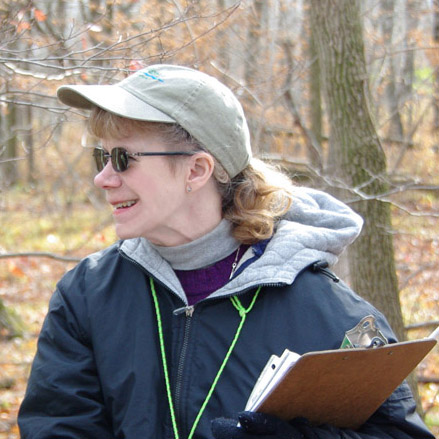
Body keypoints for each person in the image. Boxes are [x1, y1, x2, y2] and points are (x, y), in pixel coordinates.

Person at [18, 64, 434, 439]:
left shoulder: (326, 310)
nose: (103, 178)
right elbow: (57, 427)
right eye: (101, 156)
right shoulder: (88, 296)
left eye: (123, 158)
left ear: (197, 170)